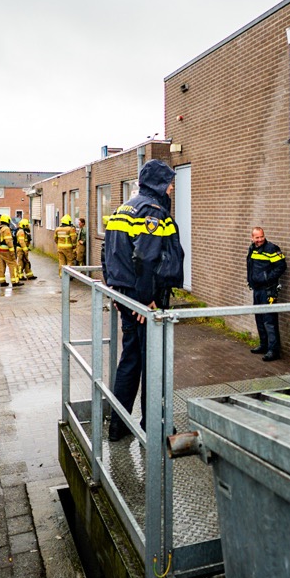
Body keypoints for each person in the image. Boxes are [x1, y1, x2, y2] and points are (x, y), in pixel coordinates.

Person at [102, 160, 184, 441]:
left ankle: (118, 426)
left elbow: (107, 253)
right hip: (145, 301)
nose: (172, 187)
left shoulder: (123, 208)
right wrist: (144, 300)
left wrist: (116, 290)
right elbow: (146, 258)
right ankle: (155, 426)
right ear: (159, 183)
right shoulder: (152, 210)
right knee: (153, 363)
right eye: (170, 182)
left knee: (130, 361)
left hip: (127, 295)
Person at [246, 227, 287, 362]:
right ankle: (264, 345)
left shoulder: (272, 248)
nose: (259, 240)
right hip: (257, 289)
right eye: (257, 237)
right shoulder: (252, 249)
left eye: (261, 236)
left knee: (269, 320)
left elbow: (281, 266)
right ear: (252, 238)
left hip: (268, 290)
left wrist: (267, 278)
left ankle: (273, 350)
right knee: (259, 318)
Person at [0, 213, 22, 287]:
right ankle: (15, 281)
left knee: (1, 265)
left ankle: (2, 281)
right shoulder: (6, 229)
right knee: (13, 264)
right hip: (6, 250)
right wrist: (12, 252)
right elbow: (8, 241)